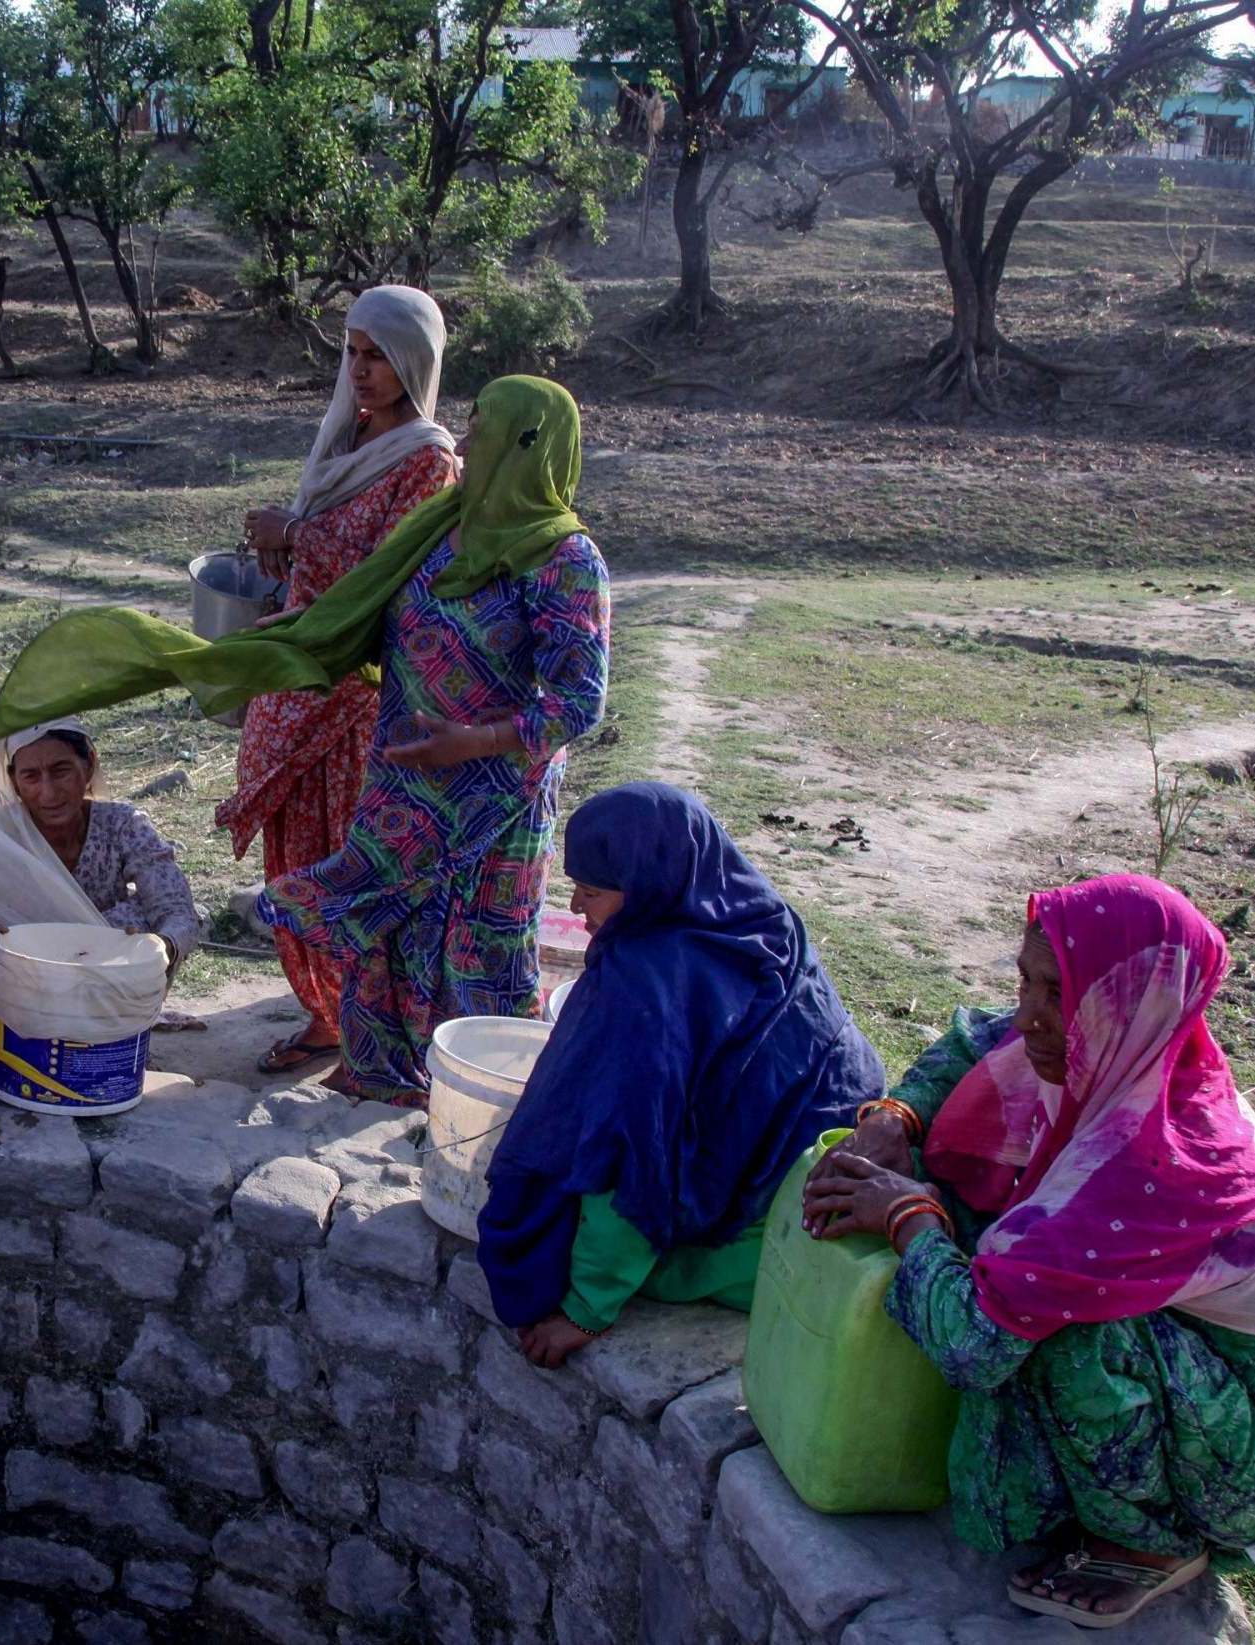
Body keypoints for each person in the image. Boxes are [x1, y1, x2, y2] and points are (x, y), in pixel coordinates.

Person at [803, 875, 1255, 1630]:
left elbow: (973, 1345)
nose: (1029, 1015)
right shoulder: (1123, 1056)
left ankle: (1157, 1539)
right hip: (1200, 1379)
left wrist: (907, 1215)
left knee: (1060, 1333)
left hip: (1231, 1453)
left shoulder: (1142, 1165)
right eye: (1026, 980)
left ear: (1135, 1005)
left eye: (1057, 992)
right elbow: (973, 1040)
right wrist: (893, 1116)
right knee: (1007, 1255)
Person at [256, 375, 611, 1102]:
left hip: (492, 800)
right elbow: (370, 614)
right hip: (404, 778)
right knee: (384, 929)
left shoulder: (563, 559)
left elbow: (577, 701)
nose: (467, 439)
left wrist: (473, 740)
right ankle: (375, 1072)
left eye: (483, 429)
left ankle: (480, 1092)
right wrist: (302, 639)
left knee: (480, 941)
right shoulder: (437, 527)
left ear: (528, 445)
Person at [476, 784, 882, 1367]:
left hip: (773, 1231)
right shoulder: (758, 918)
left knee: (575, 1211)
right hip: (845, 1164)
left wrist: (586, 1309)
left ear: (645, 889)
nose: (574, 907)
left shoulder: (642, 987)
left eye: (591, 891)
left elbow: (631, 1156)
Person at [217, 286, 460, 1078]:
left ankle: (367, 1031)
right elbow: (321, 566)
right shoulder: (343, 436)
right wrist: (282, 576)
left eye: (377, 354)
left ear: (413, 361)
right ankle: (323, 1012)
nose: (359, 369)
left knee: (347, 860)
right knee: (290, 855)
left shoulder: (427, 461)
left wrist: (297, 535)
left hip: (357, 695)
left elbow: (394, 576)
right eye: (351, 350)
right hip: (292, 676)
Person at [0, 720, 200, 1007]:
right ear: (14, 781)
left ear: (88, 766)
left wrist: (159, 950)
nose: (49, 793)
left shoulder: (123, 825)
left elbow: (178, 912)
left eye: (60, 771)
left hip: (104, 986)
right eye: (30, 776)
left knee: (137, 921)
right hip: (17, 994)